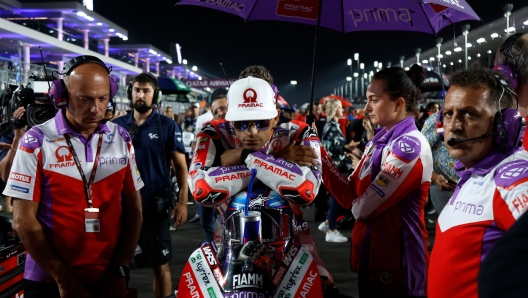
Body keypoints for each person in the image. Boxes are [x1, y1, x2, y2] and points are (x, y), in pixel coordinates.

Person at [3, 55, 143, 297]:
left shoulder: (121, 138)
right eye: (84, 99)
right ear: (62, 97)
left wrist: (120, 268)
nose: (95, 108)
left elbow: (134, 210)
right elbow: (22, 221)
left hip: (110, 277)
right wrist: (63, 279)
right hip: (49, 282)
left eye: (102, 99)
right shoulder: (35, 142)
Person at [188, 76, 338, 294]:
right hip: (227, 245)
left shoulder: (301, 132)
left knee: (325, 284)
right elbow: (202, 190)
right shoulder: (212, 132)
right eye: (241, 124)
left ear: (276, 117)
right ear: (230, 121)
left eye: (260, 122)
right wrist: (279, 163)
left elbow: (305, 191)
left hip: (293, 241)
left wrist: (244, 156)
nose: (251, 132)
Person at [321, 65, 432, 297]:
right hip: (371, 256)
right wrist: (318, 155)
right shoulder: (377, 141)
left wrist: (356, 201)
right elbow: (349, 194)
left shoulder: (411, 145)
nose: (366, 108)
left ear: (399, 104)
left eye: (374, 100)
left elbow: (362, 209)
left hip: (400, 265)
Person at [428, 68, 528, 298]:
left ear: (504, 125)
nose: (454, 125)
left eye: (469, 114)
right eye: (448, 114)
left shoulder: (513, 179)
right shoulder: (475, 170)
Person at [113, 72, 188, 298]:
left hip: (155, 207)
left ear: (155, 94)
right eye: (137, 89)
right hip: (120, 209)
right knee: (117, 268)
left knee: (160, 265)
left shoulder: (167, 125)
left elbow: (181, 166)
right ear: (130, 92)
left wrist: (183, 202)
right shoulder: (116, 126)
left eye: (146, 91)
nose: (141, 95)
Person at [317, 99, 349, 242]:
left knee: (338, 197)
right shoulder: (332, 126)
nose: (343, 110)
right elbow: (331, 149)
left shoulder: (331, 125)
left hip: (335, 167)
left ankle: (328, 223)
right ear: (335, 109)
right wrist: (347, 149)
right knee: (339, 197)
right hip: (337, 167)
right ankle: (331, 230)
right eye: (341, 108)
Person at [420, 111, 459, 213]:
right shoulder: (437, 119)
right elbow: (419, 152)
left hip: (476, 187)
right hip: (446, 188)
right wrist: (434, 177)